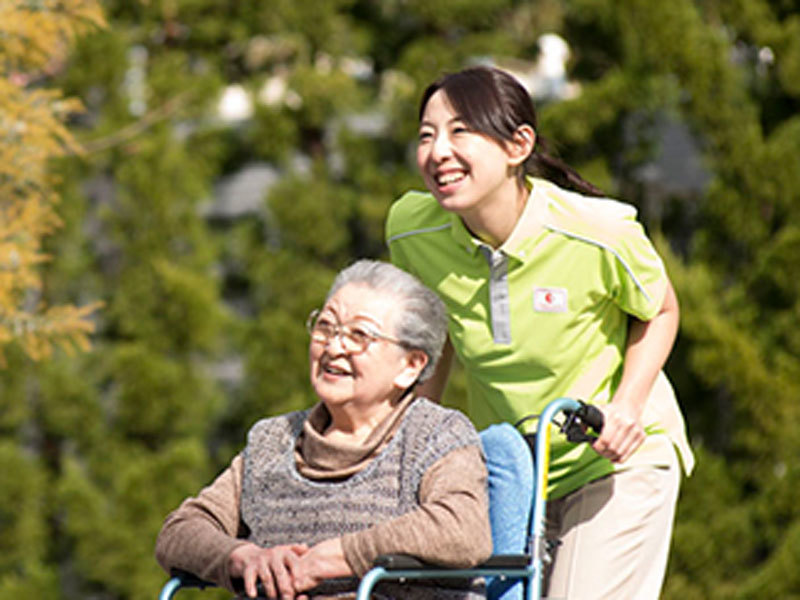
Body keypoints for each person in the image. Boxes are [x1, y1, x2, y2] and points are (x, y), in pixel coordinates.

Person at [385, 65, 695, 599]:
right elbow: (433, 339)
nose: (438, 152)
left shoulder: (598, 231)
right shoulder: (411, 229)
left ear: (518, 145)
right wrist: (409, 444)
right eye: (426, 135)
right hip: (511, 473)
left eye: (460, 132)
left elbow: (661, 309)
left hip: (615, 461)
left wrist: (626, 406)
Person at [155, 259, 493, 600]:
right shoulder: (273, 439)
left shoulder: (437, 434)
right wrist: (244, 557)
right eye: (326, 328)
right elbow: (180, 531)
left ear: (410, 365)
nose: (332, 347)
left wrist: (338, 557)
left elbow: (462, 529)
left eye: (359, 335)